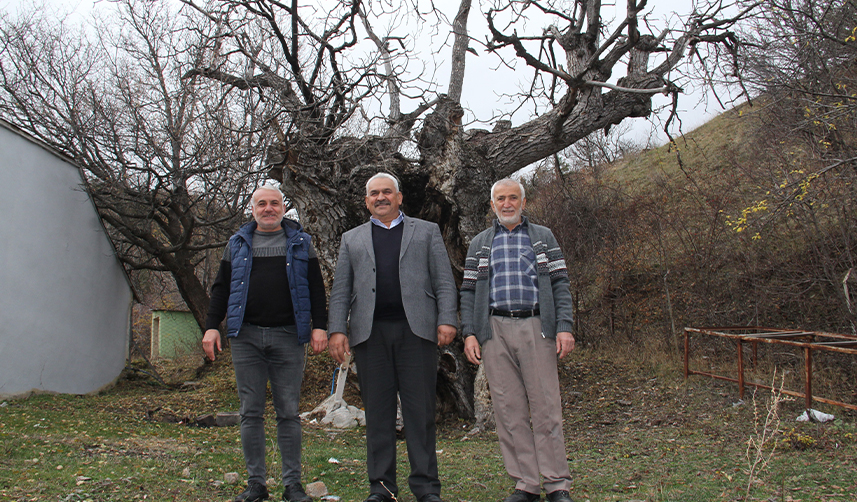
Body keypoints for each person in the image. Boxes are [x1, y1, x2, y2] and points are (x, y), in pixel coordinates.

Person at [327, 173, 458, 502]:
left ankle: (426, 488)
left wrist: (446, 320)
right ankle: (381, 488)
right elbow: (340, 290)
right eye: (374, 193)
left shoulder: (426, 232)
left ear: (399, 198)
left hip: (417, 333)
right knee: (378, 414)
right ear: (367, 200)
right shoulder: (352, 239)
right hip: (370, 336)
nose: (381, 197)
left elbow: (443, 280)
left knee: (420, 412)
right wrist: (337, 330)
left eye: (387, 192)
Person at [202, 185, 328, 502]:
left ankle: (292, 486)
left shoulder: (301, 242)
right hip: (245, 337)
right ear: (253, 208)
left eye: (274, 203)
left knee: (288, 413)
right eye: (262, 203)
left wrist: (321, 326)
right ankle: (256, 484)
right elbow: (220, 289)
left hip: (289, 336)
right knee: (250, 413)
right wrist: (211, 327)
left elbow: (315, 288)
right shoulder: (237, 243)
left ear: (283, 207)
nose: (268, 208)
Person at [460, 178, 576, 502]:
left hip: (537, 328)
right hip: (494, 331)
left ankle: (557, 484)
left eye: (513, 198)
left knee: (546, 408)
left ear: (523, 203)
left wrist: (564, 326)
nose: (507, 203)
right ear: (493, 204)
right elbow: (468, 293)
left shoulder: (542, 237)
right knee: (509, 410)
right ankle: (526, 483)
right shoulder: (480, 243)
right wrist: (470, 332)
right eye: (501, 199)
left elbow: (561, 285)